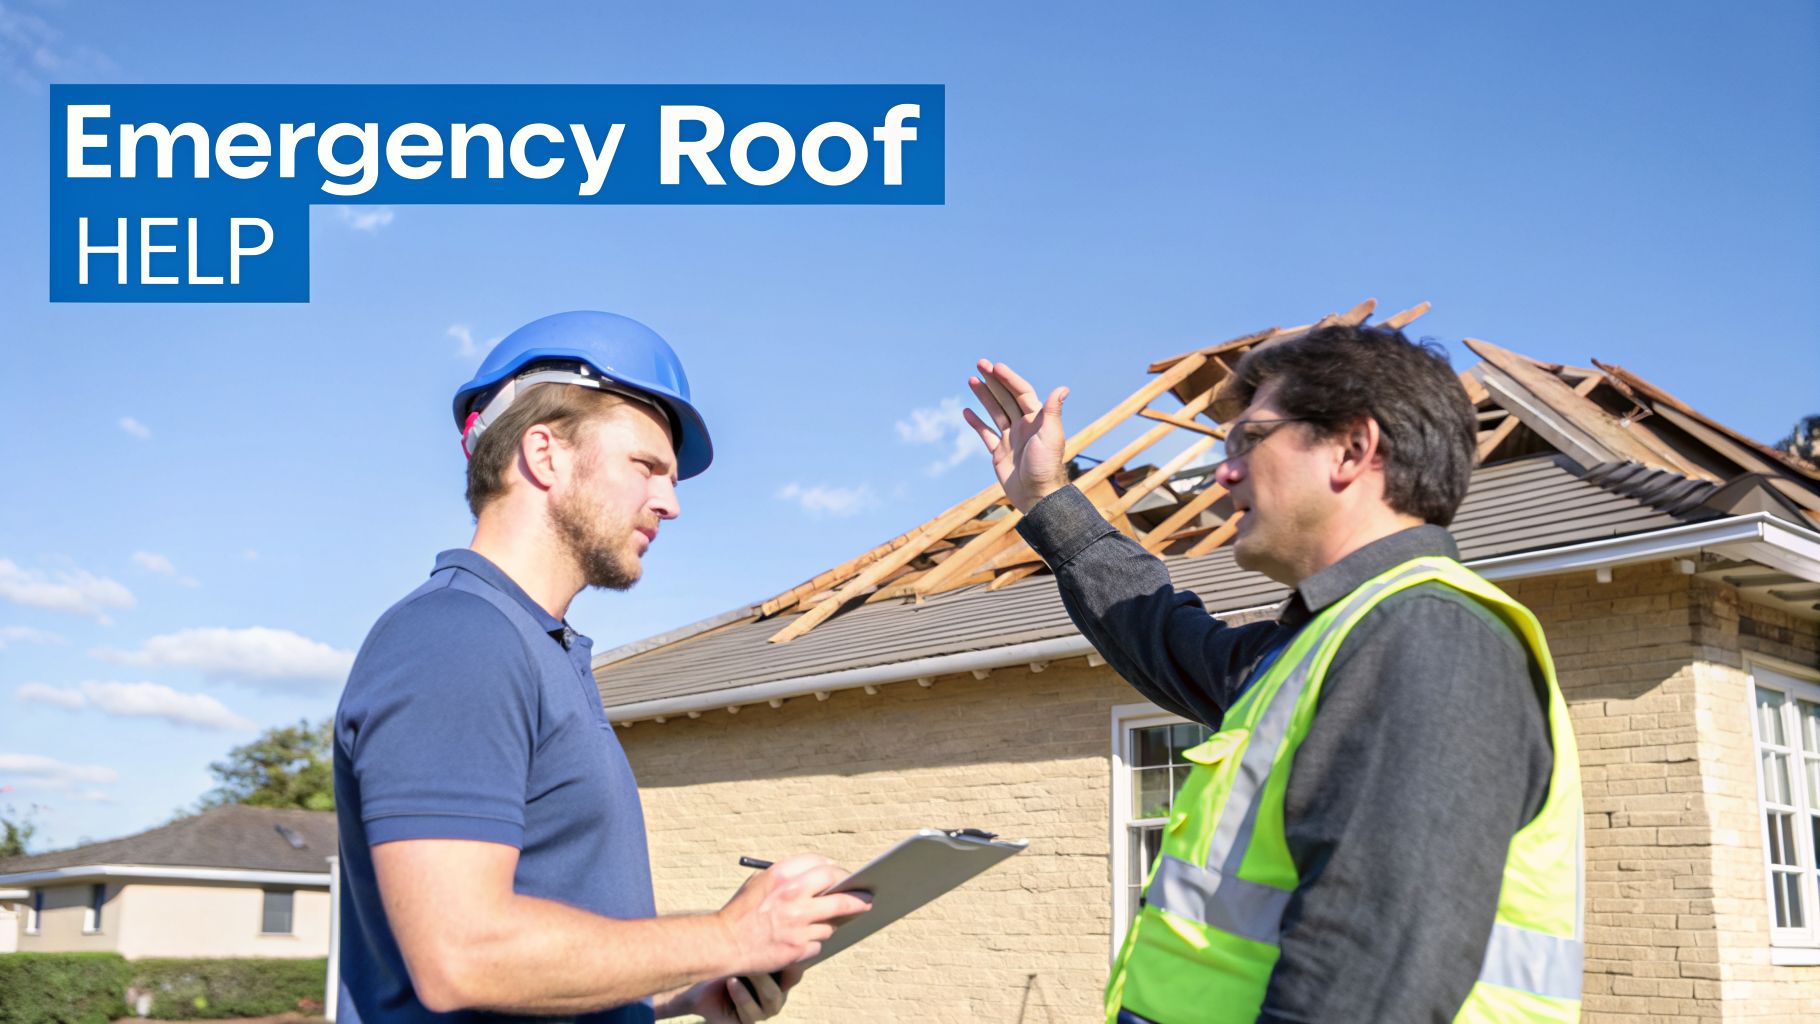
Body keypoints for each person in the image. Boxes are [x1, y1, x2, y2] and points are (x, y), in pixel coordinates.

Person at [962, 324, 1583, 1023]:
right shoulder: (1319, 645)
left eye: (1248, 441)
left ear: (1352, 449)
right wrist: (1046, 498)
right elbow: (1159, 632)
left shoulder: (1429, 636)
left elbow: (1360, 984)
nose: (1224, 474)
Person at [333, 311, 868, 1024]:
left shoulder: (534, 646)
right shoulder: (456, 638)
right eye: (646, 467)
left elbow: (528, 956)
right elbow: (463, 956)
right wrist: (728, 935)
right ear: (544, 454)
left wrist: (687, 987)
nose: (670, 504)